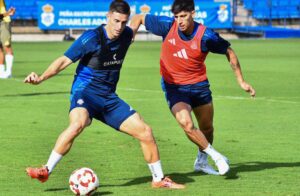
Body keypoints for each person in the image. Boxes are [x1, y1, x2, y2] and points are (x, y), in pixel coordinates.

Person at [25, 0, 184, 189]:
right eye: (116, 21)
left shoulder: (126, 34)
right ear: (107, 17)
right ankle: (46, 170)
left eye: (124, 22)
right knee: (78, 124)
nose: (120, 27)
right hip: (85, 92)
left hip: (108, 98)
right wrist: (41, 77)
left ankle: (158, 179)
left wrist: (148, 23)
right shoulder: (91, 38)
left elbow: (138, 20)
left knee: (145, 132)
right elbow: (63, 61)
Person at [130, 0, 256, 175]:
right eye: (177, 17)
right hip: (174, 86)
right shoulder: (167, 26)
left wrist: (241, 81)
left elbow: (229, 52)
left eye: (183, 16)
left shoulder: (206, 36)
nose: (179, 21)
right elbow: (138, 17)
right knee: (187, 124)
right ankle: (216, 157)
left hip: (199, 86)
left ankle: (201, 162)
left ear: (193, 14)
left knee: (207, 128)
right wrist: (132, 33)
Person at [0, 0, 15, 79]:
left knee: (6, 46)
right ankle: (1, 71)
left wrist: (8, 13)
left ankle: (8, 72)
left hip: (3, 21)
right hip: (3, 16)